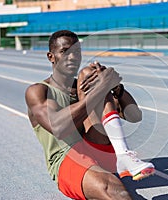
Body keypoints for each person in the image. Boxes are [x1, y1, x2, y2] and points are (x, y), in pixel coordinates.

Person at [25, 30, 155, 200]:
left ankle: (123, 154)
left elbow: (134, 116)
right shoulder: (38, 91)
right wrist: (103, 87)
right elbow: (59, 128)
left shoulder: (86, 84)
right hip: (66, 157)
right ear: (51, 56)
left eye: (76, 52)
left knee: (91, 74)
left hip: (95, 146)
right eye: (65, 51)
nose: (72, 57)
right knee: (116, 191)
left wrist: (116, 88)